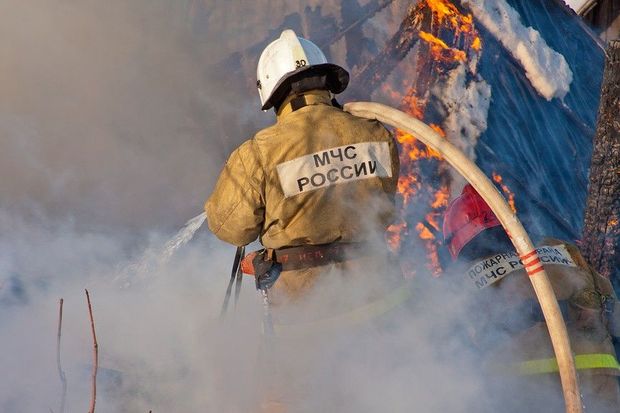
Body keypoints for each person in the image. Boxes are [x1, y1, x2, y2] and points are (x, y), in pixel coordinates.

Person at [205, 29, 403, 412]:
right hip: (380, 298)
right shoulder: (375, 132)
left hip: (306, 314)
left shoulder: (258, 153)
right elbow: (379, 206)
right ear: (325, 82)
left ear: (273, 93)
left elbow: (230, 227)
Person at [442, 184, 620, 412]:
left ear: (457, 243)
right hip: (599, 387)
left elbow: (447, 354)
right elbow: (614, 316)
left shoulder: (461, 284)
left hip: (523, 395)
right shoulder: (561, 249)